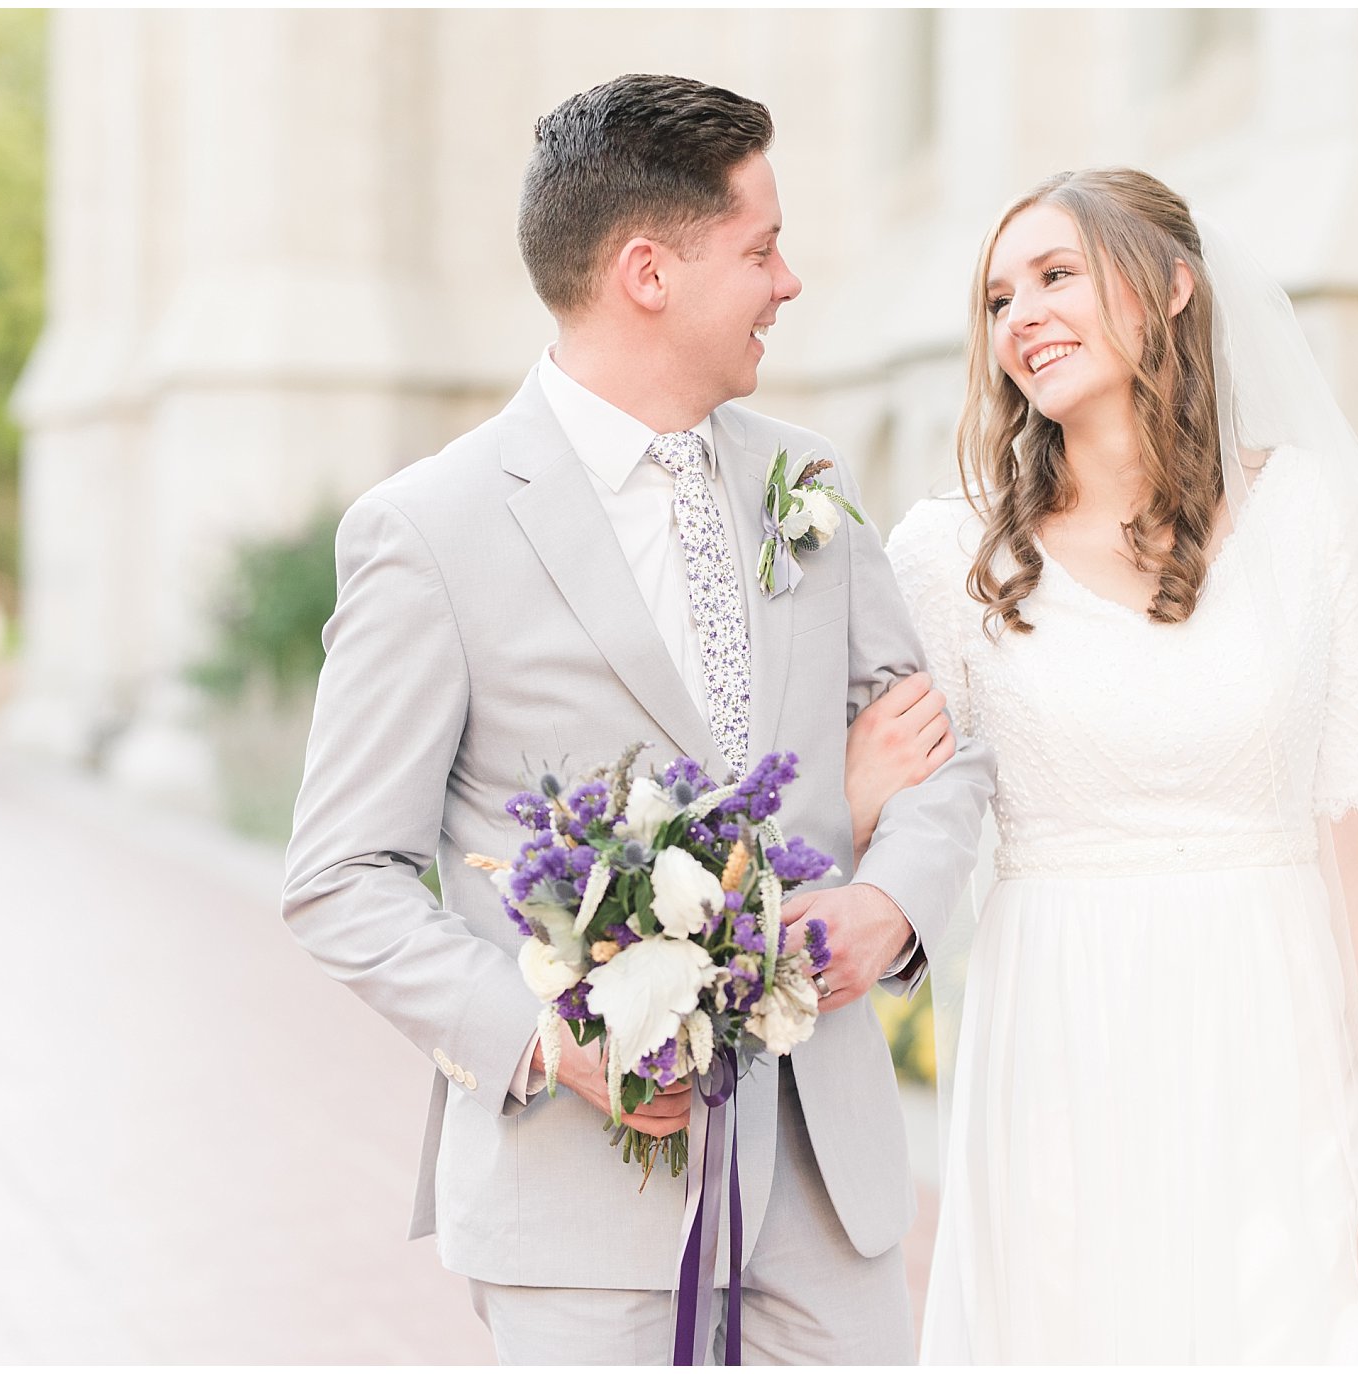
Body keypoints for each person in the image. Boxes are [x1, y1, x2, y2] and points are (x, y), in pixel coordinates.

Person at [280, 73, 994, 1365]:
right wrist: (548, 1037)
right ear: (648, 271)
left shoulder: (806, 484)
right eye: (762, 246)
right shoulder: (427, 531)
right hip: (582, 1207)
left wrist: (889, 908)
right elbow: (341, 875)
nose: (789, 281)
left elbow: (943, 755)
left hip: (830, 1196)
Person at [847, 168, 1358, 1362]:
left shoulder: (1305, 516)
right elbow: (903, 830)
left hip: (1276, 1031)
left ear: (1170, 286)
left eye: (1056, 275)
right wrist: (857, 797)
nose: (1020, 318)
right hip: (1058, 1044)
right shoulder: (948, 556)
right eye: (998, 298)